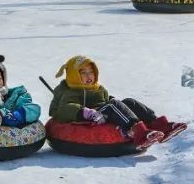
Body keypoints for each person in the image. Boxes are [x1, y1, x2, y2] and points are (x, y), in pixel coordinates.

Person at [49, 56, 186, 146]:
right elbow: (63, 110)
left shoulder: (98, 88)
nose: (88, 76)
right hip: (92, 117)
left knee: (129, 102)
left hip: (103, 112)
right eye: (83, 73)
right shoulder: (70, 91)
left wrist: (116, 102)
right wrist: (84, 112)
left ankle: (160, 125)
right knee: (112, 105)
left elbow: (104, 100)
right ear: (74, 75)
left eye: (91, 72)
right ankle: (138, 132)